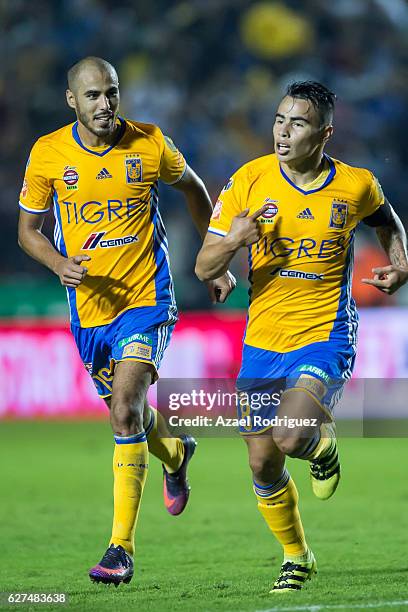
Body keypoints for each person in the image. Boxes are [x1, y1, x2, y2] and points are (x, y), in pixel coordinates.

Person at [17, 56, 235, 587]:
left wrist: (214, 261)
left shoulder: (150, 143)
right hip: (89, 311)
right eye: (92, 95)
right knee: (129, 415)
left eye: (112, 93)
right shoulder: (48, 154)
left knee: (123, 411)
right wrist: (58, 263)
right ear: (72, 100)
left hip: (147, 298)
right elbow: (28, 230)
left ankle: (121, 548)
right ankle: (177, 451)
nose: (105, 104)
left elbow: (196, 191)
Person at [195, 81, 408, 593]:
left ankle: (317, 442)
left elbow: (389, 224)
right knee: (262, 459)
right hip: (263, 339)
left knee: (290, 436)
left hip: (325, 333)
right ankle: (297, 555)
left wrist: (401, 266)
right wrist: (234, 242)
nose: (282, 132)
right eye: (278, 119)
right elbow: (204, 264)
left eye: (298, 123)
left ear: (325, 133)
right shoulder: (249, 181)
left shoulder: (355, 186)